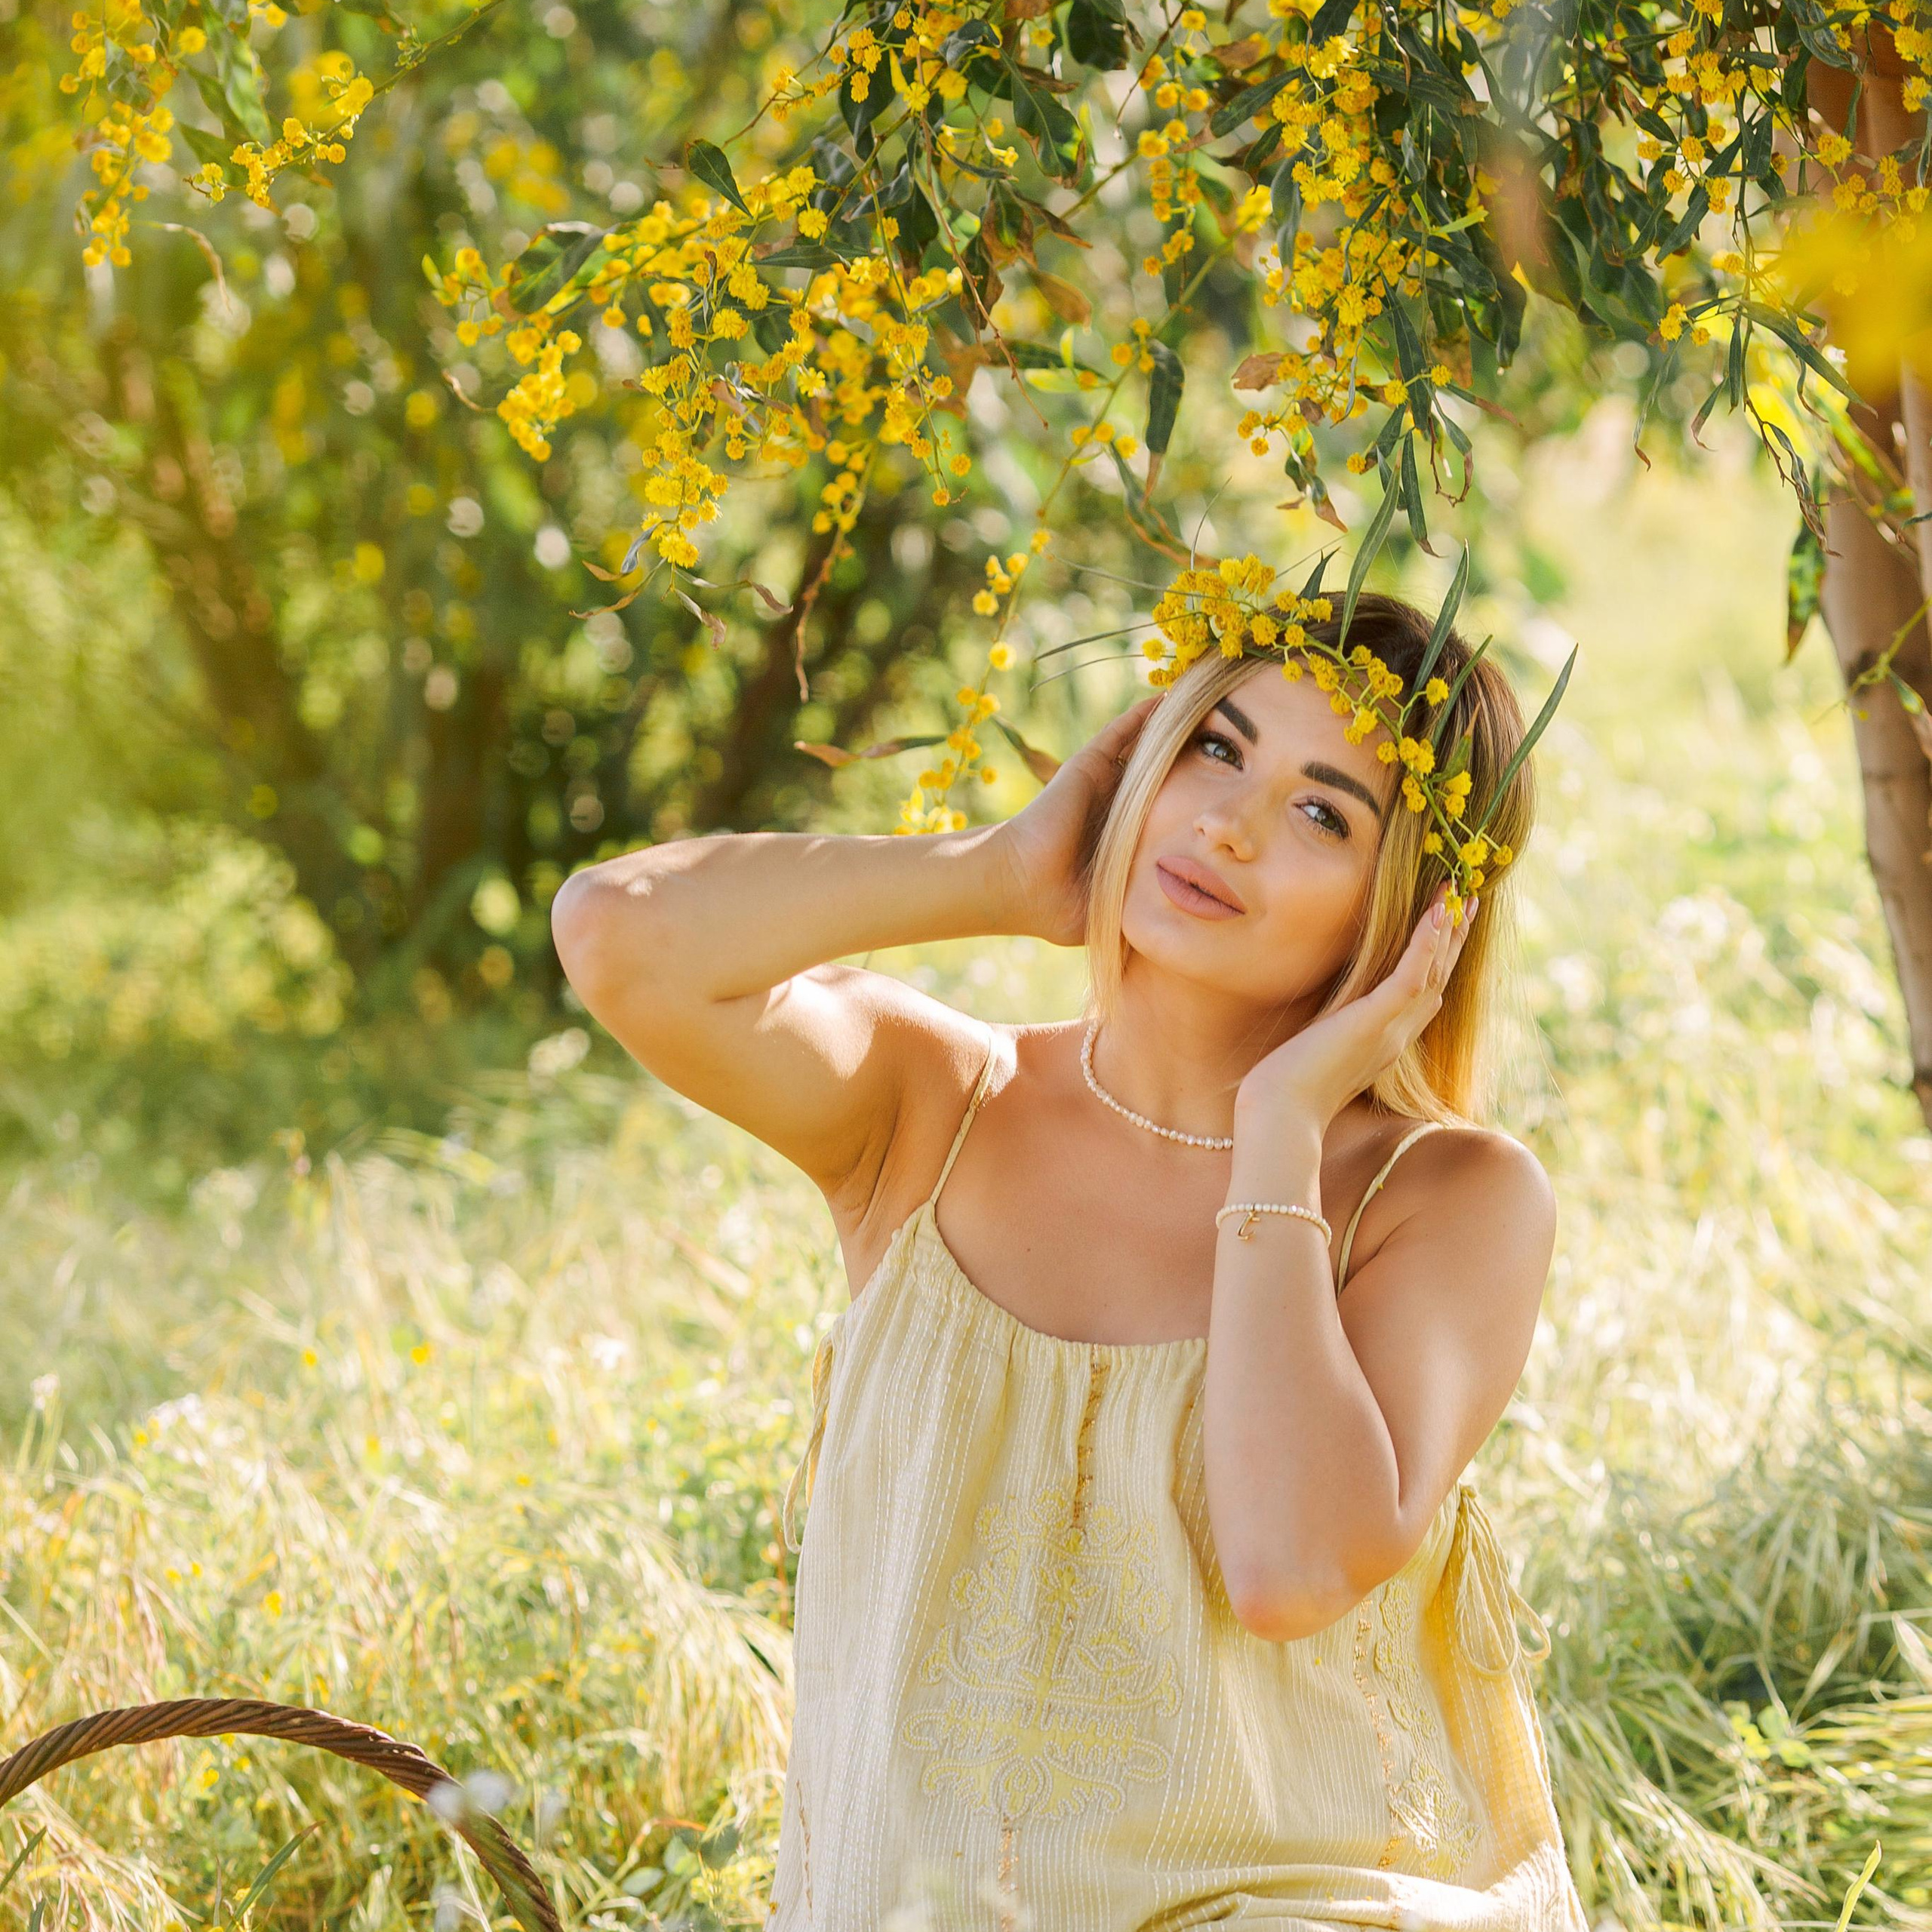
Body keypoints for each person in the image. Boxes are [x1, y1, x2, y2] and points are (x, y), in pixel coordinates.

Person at [550, 588, 1590, 1931]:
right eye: (1216, 746)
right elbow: (615, 933)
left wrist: (1282, 1128)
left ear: (1409, 913)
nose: (1230, 825)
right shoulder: (931, 1106)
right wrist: (995, 874)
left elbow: (1291, 1570)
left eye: (1325, 813)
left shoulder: (1444, 1196)